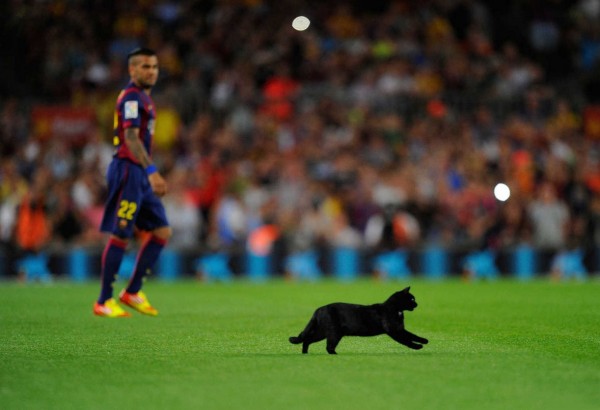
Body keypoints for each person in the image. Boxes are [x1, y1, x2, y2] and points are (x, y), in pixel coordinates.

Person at [93, 48, 171, 318]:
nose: (152, 71)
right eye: (146, 66)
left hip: (139, 174)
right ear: (132, 70)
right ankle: (104, 300)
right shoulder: (131, 98)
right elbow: (130, 137)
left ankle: (133, 291)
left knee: (162, 231)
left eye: (155, 66)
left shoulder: (145, 99)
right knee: (121, 234)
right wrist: (151, 170)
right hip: (129, 171)